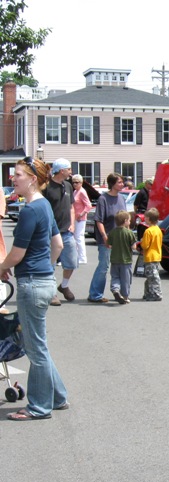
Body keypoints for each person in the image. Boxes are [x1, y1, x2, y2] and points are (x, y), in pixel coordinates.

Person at [0, 157, 69, 420]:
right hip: (43, 281)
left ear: (32, 178)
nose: (13, 178)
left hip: (31, 283)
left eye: (17, 174)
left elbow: (17, 254)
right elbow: (58, 245)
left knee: (34, 348)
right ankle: (58, 396)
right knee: (39, 345)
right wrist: (47, 269)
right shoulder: (45, 206)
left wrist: (2, 267)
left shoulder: (30, 209)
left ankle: (39, 406)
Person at [43, 158, 77, 305]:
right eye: (69, 169)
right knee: (50, 264)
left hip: (67, 231)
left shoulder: (68, 186)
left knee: (71, 262)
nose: (70, 172)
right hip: (51, 233)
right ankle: (51, 294)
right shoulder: (47, 188)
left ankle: (64, 285)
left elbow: (71, 207)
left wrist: (73, 224)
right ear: (62, 170)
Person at [88, 173, 126, 303]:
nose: (122, 184)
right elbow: (99, 220)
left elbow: (124, 219)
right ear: (112, 184)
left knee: (119, 266)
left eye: (122, 182)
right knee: (104, 266)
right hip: (107, 238)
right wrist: (104, 237)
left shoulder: (121, 198)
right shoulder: (103, 199)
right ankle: (95, 294)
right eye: (119, 182)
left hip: (119, 238)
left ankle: (120, 292)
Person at [106, 210, 136, 304]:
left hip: (114, 259)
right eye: (129, 221)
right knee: (126, 279)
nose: (130, 222)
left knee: (115, 276)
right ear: (126, 221)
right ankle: (125, 296)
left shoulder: (112, 232)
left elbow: (108, 244)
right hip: (126, 260)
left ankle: (115, 289)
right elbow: (133, 247)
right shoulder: (129, 233)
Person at [140, 208, 163, 301]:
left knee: (153, 277)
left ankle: (156, 294)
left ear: (149, 219)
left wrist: (141, 242)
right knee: (152, 276)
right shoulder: (158, 230)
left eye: (145, 218)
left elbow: (145, 245)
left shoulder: (148, 231)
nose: (144, 219)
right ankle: (148, 293)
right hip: (157, 255)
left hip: (150, 256)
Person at [72, 174, 92, 264]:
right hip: (75, 217)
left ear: (81, 183)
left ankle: (83, 258)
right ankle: (77, 256)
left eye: (77, 182)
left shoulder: (82, 191)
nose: (75, 184)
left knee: (79, 237)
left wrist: (81, 214)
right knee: (75, 237)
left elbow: (88, 205)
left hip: (81, 218)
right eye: (73, 182)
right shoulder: (75, 192)